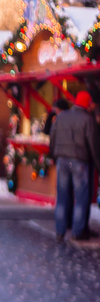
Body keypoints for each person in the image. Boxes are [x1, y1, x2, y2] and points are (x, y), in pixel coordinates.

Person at [50, 91, 100, 241]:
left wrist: (54, 156)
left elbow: (52, 138)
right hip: (80, 161)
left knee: (62, 197)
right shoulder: (88, 119)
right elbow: (93, 145)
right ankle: (78, 232)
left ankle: (60, 231)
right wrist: (98, 164)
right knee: (81, 198)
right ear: (87, 104)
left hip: (62, 161)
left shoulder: (62, 117)